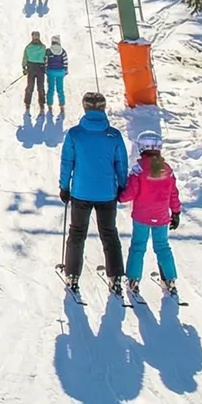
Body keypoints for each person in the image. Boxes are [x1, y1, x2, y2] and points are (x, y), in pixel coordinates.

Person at [59, 91, 130, 294]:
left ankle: (72, 275)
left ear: (85, 108)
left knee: (77, 233)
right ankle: (115, 277)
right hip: (107, 193)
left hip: (81, 192)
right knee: (109, 234)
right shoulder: (113, 135)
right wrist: (122, 185)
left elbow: (67, 163)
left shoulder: (75, 134)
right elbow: (121, 163)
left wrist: (64, 186)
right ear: (103, 108)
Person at [119, 131, 183, 299]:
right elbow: (173, 194)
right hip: (161, 217)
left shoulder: (139, 169)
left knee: (138, 247)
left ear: (141, 148)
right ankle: (170, 280)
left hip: (142, 216)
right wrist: (175, 212)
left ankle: (133, 280)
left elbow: (130, 193)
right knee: (162, 247)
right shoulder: (167, 170)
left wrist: (120, 195)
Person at [23, 31, 48, 110]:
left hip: (35, 67)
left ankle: (40, 103)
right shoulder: (42, 47)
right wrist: (24, 67)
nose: (36, 38)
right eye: (35, 37)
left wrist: (24, 67)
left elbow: (25, 58)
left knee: (37, 87)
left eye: (36, 37)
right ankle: (29, 103)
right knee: (33, 86)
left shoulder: (30, 47)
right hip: (36, 67)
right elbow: (25, 58)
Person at [45, 34, 69, 111]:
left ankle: (49, 104)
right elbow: (65, 62)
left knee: (51, 89)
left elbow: (45, 61)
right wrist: (65, 70)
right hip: (60, 72)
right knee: (60, 89)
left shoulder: (48, 51)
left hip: (51, 71)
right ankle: (62, 105)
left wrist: (46, 70)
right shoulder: (62, 51)